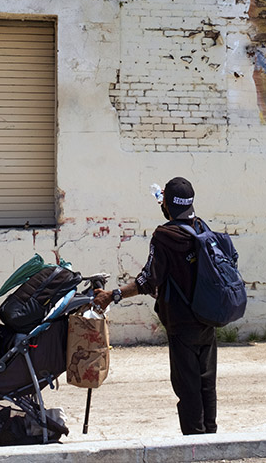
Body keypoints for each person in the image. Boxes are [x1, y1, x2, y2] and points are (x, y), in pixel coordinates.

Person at [93, 176, 218, 435]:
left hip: (182, 324)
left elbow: (147, 281)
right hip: (208, 319)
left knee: (188, 388)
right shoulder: (202, 229)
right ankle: (211, 439)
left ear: (167, 205)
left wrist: (112, 295)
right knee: (207, 384)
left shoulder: (165, 236)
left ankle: (194, 442)